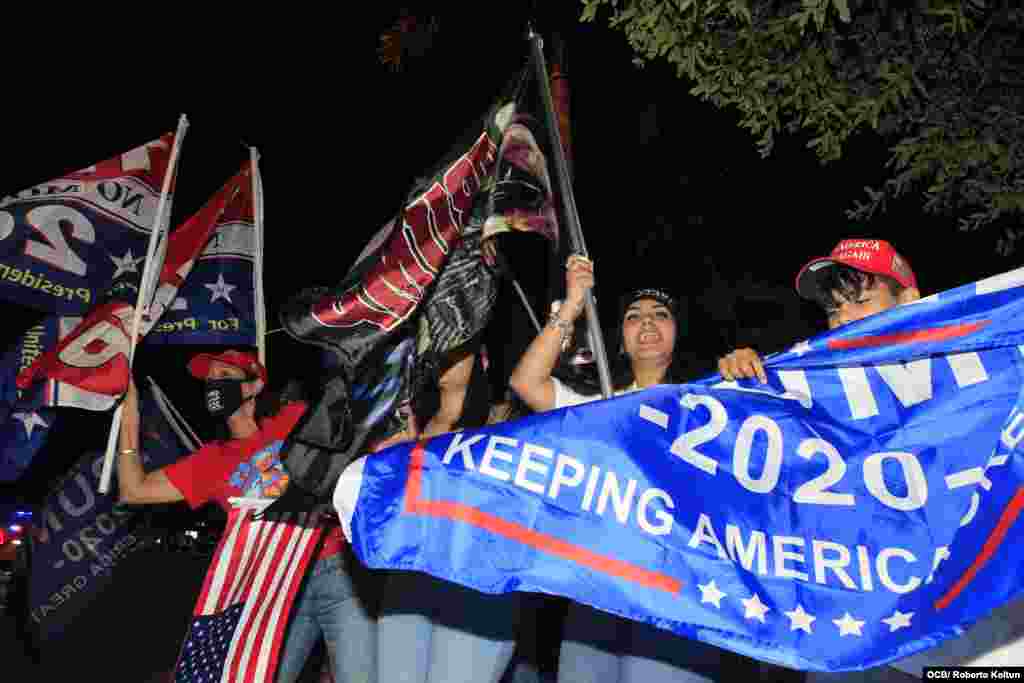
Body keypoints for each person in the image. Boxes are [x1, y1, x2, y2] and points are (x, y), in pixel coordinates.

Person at [510, 254, 746, 683]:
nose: (648, 322)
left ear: (678, 333)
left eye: (661, 314)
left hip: (678, 593)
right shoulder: (600, 406)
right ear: (620, 340)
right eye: (634, 316)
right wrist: (573, 304)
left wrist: (746, 369)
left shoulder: (709, 406)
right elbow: (526, 382)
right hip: (599, 591)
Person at [718, 238, 925, 682]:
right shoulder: (814, 387)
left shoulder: (973, 370)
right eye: (834, 310)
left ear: (909, 300)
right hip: (845, 629)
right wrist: (746, 383)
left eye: (861, 302)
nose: (843, 320)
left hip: (953, 638)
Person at [115, 349, 377, 683]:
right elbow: (134, 490)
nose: (214, 384)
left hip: (336, 570)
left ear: (253, 386)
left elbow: (350, 433)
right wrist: (129, 415)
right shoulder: (211, 461)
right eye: (210, 379)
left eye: (225, 376)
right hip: (274, 589)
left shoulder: (294, 419)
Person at [374, 344, 532, 683]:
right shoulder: (410, 421)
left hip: (477, 584)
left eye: (458, 351)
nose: (445, 361)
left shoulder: (511, 421)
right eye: (440, 353)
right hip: (411, 580)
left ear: (480, 360)